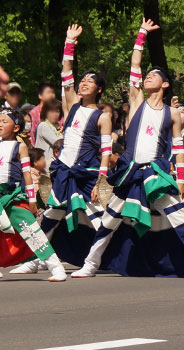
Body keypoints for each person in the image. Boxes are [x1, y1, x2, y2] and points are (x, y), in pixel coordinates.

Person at [70, 18, 184, 278]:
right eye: (146, 76)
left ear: (166, 84)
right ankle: (90, 264)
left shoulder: (173, 114)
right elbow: (134, 65)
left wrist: (180, 180)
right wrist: (141, 35)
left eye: (154, 76)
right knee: (110, 220)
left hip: (155, 174)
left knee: (180, 219)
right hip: (129, 171)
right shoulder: (136, 101)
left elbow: (178, 147)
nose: (147, 77)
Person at [9, 23, 113, 275]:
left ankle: (92, 263)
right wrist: (69, 44)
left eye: (90, 81)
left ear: (99, 89)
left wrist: (101, 179)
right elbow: (66, 77)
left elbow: (107, 151)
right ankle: (36, 260)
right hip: (64, 170)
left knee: (102, 218)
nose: (84, 83)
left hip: (86, 173)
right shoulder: (72, 106)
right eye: (83, 80)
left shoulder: (102, 116)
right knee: (52, 216)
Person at [0, 107, 67, 281]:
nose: (0, 124)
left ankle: (55, 267)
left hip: (13, 194)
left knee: (31, 229)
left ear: (16, 128)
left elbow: (27, 173)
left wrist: (31, 199)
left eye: (4, 121)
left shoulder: (20, 146)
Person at [35, 98, 63, 169]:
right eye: (51, 111)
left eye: (57, 111)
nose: (55, 114)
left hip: (52, 166)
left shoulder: (57, 127)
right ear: (45, 112)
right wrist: (64, 133)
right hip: (44, 167)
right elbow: (58, 143)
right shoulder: (44, 125)